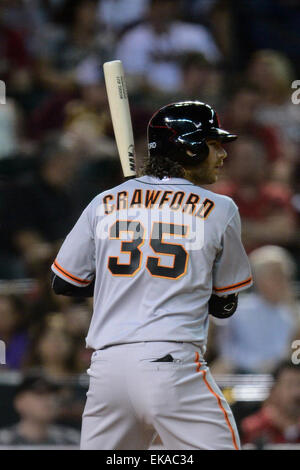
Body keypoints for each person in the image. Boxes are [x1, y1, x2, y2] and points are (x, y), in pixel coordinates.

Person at [51, 101, 252, 450]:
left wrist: (128, 280)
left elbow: (65, 282)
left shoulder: (104, 201)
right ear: (189, 149)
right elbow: (224, 305)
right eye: (214, 144)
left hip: (107, 371)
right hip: (171, 364)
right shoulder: (221, 208)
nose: (222, 153)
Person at [212, 245, 300, 374]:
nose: (283, 281)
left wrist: (292, 307)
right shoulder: (237, 311)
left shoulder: (294, 311)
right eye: (275, 275)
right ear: (258, 279)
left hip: (285, 374)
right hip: (244, 373)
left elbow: (295, 352)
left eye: (285, 274)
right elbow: (227, 352)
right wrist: (257, 364)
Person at [0, 374, 80, 446]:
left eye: (52, 393)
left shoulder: (72, 440)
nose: (50, 400)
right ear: (19, 402)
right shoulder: (3, 442)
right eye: (40, 393)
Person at [241, 361, 300, 447]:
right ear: (273, 390)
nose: (297, 393)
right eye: (289, 385)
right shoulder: (252, 429)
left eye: (299, 385)